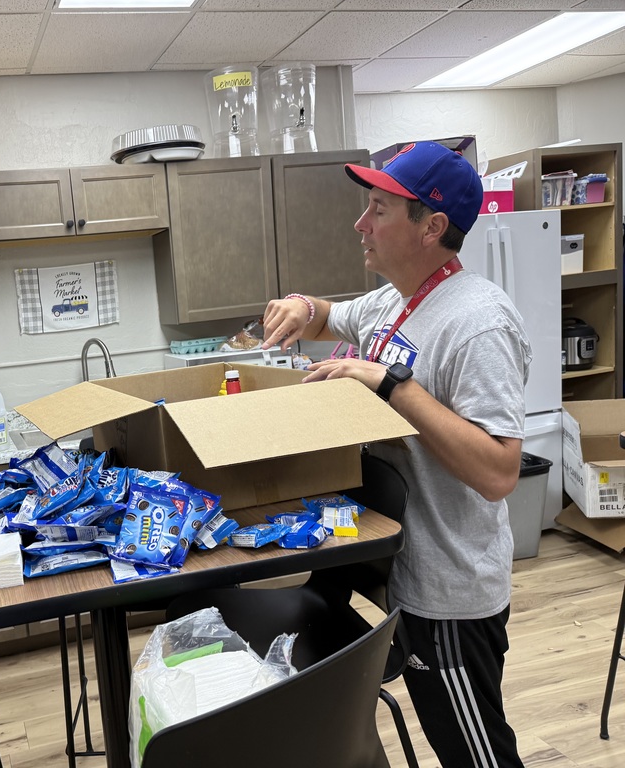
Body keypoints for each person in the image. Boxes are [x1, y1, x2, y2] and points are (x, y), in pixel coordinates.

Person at [262, 141, 528, 768]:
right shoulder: (393, 300)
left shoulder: (479, 322)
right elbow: (329, 317)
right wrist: (303, 306)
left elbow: (499, 471)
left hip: (451, 593)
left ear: (432, 227)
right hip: (404, 572)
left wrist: (391, 385)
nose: (361, 224)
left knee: (475, 754)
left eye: (379, 210)